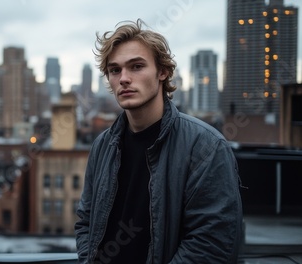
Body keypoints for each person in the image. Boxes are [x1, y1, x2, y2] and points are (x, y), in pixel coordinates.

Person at [74, 19, 243, 263]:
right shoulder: (103, 145)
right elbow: (85, 221)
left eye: (136, 66)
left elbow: (210, 245)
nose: (123, 78)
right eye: (115, 70)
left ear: (162, 72)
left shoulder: (206, 147)